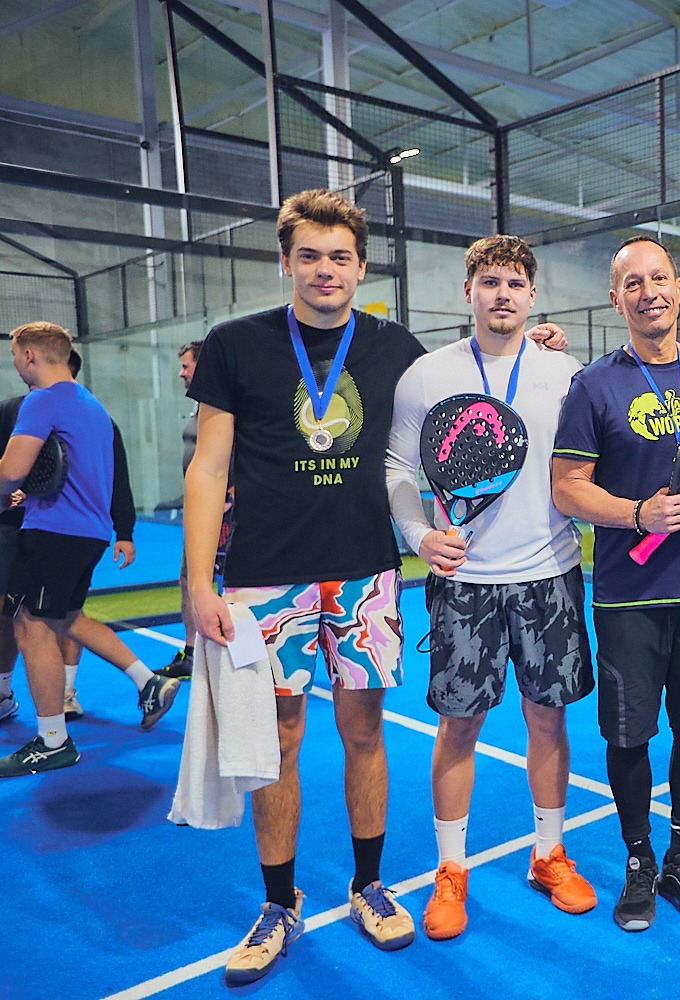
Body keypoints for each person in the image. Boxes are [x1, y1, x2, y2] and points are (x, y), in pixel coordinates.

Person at [184, 189, 427, 984]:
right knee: (277, 740)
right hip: (265, 579)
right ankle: (277, 902)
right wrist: (197, 583)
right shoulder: (234, 345)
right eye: (311, 256)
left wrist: (533, 340)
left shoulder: (397, 348)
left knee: (364, 732)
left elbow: (457, 404)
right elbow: (208, 468)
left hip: (366, 574)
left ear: (361, 267)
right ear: (285, 261)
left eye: (341, 257)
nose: (327, 269)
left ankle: (369, 885)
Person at [386, 234, 596, 940]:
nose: (501, 294)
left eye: (514, 283)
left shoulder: (566, 373)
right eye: (489, 282)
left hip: (549, 572)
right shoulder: (427, 375)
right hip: (463, 580)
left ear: (533, 295)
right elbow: (396, 467)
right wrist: (418, 537)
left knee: (549, 719)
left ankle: (549, 854)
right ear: (468, 292)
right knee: (458, 726)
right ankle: (451, 870)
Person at [552, 236, 680, 933]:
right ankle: (638, 859)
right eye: (633, 283)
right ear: (615, 298)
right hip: (628, 597)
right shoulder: (593, 385)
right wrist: (638, 514)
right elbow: (567, 488)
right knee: (628, 736)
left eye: (660, 278)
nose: (650, 291)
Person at [0, 322, 177, 778]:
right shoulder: (92, 406)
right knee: (65, 619)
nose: (15, 363)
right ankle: (148, 680)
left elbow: (11, 471)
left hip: (53, 531)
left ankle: (52, 741)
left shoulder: (41, 400)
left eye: (15, 355)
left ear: (30, 355)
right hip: (86, 534)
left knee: (31, 625)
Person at [51, 348, 138, 721]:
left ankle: (64, 695)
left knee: (58, 614)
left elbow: (118, 475)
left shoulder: (97, 419)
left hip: (70, 532)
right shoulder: (34, 412)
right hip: (51, 530)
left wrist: (125, 530)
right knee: (55, 612)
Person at [158, 340, 206, 681]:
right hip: (198, 511)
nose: (181, 373)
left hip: (222, 514)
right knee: (188, 580)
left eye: (186, 366)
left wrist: (229, 496)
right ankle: (192, 653)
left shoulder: (224, 408)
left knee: (221, 584)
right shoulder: (199, 408)